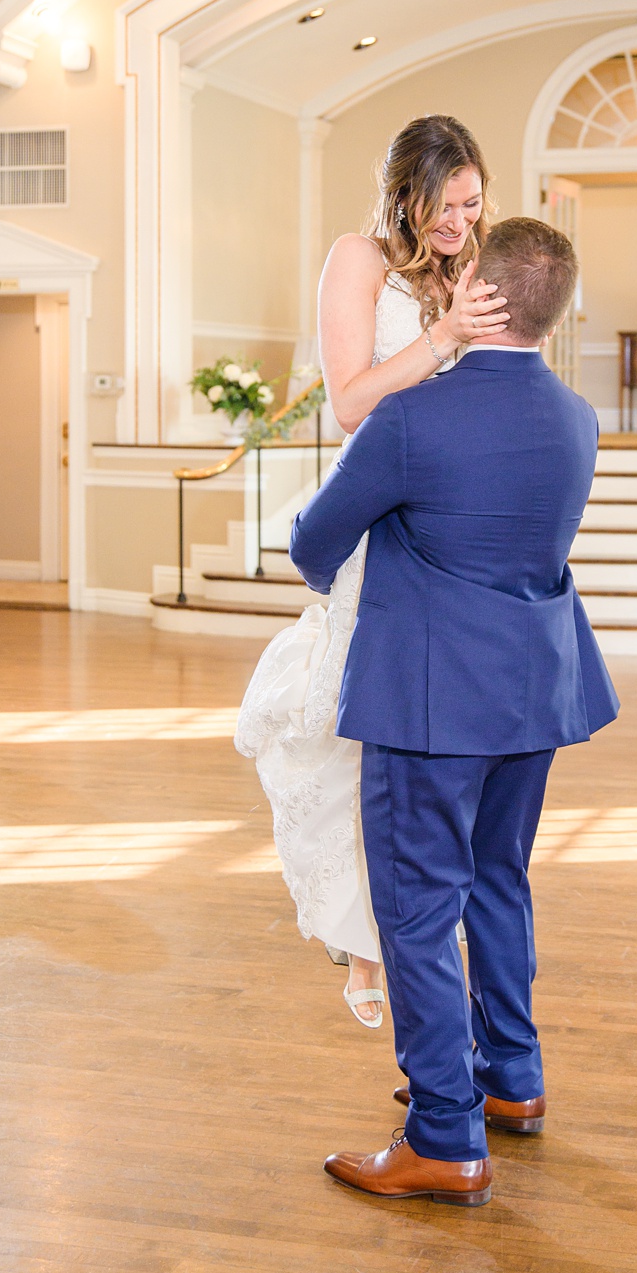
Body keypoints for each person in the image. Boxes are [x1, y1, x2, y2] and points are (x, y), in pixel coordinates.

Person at [297, 215, 617, 1207]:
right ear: (554, 312)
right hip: (535, 688)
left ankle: (444, 1132)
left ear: (475, 284)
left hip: (431, 697)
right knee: (498, 882)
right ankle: (510, 1082)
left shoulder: (412, 418)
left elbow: (316, 542)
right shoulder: (577, 418)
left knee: (419, 903)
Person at [235, 114, 510, 1030]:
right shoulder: (360, 260)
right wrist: (444, 337)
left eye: (473, 205)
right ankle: (364, 943)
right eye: (446, 205)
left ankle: (420, 937)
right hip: (379, 512)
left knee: (431, 739)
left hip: (453, 525)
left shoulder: (466, 271)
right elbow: (352, 403)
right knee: (362, 727)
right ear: (406, 194)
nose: (461, 223)